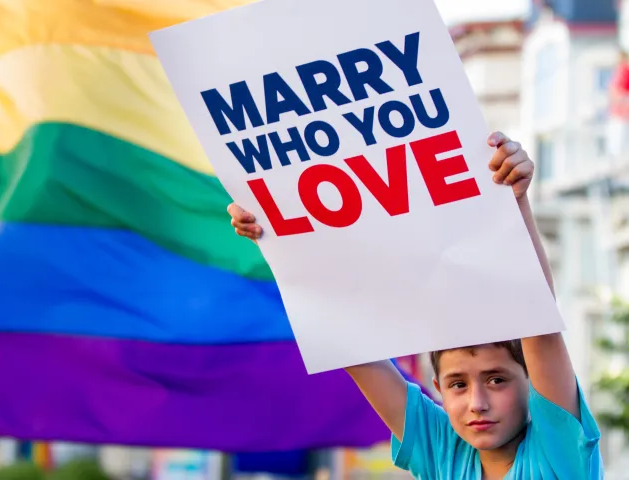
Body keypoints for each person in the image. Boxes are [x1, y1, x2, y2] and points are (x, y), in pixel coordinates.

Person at [226, 132, 603, 479]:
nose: (477, 403)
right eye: (458, 384)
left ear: (532, 383)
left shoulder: (560, 452)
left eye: (497, 379)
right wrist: (275, 232)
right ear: (437, 387)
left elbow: (535, 314)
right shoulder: (442, 449)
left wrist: (513, 199)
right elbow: (346, 337)